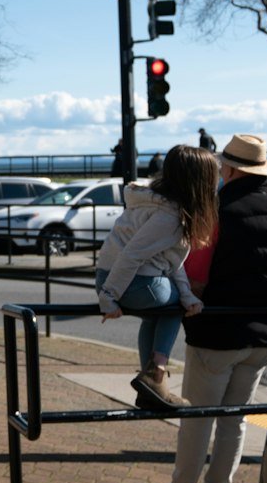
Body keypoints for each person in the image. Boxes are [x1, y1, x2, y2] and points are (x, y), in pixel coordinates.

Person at [141, 133, 267, 483]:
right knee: (234, 420)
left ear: (232, 168)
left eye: (224, 165)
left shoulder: (216, 209)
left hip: (217, 333)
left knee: (197, 418)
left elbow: (198, 278)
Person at [94, 145, 219, 408]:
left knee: (157, 313)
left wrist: (186, 293)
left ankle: (150, 386)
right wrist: (108, 297)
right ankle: (156, 376)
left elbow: (170, 260)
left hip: (118, 276)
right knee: (173, 306)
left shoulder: (155, 202)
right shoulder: (169, 216)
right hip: (132, 281)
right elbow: (132, 255)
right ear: (200, 181)